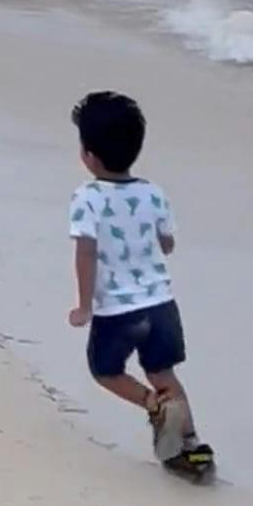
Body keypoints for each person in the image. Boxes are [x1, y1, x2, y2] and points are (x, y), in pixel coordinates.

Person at [67, 89, 212, 476]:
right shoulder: (152, 192)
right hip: (161, 304)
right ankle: (191, 443)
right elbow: (167, 243)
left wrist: (84, 306)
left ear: (89, 155)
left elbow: (85, 252)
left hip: (119, 312)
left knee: (106, 370)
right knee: (164, 372)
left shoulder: (88, 197)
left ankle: (153, 405)